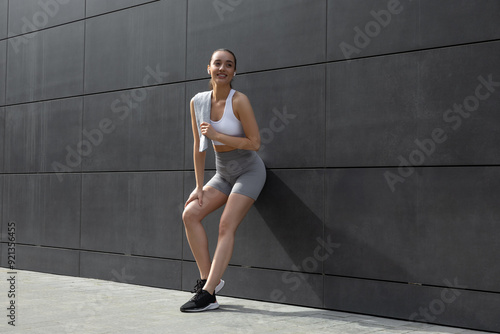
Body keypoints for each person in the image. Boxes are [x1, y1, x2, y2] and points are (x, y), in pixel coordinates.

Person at [180, 49, 266, 312]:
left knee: (225, 225)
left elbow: (255, 143)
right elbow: (198, 146)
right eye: (217, 63)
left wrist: (220, 135)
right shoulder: (198, 101)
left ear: (234, 72)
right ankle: (210, 285)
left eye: (229, 65)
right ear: (208, 68)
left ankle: (206, 295)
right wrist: (198, 187)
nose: (222, 68)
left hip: (249, 170)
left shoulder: (239, 101)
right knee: (190, 214)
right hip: (222, 173)